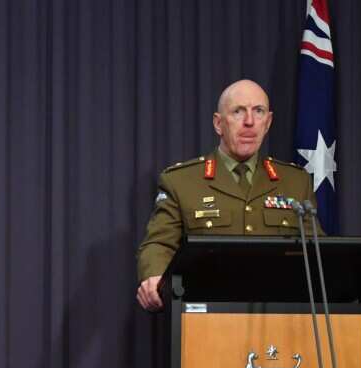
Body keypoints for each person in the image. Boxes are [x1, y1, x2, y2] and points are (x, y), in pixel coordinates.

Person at [135, 79, 320, 311]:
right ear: (218, 123)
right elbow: (159, 243)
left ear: (268, 122)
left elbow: (317, 251)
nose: (249, 122)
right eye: (238, 112)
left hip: (279, 316)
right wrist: (155, 276)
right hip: (207, 318)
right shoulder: (181, 181)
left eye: (258, 111)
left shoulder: (295, 181)